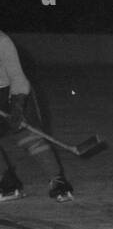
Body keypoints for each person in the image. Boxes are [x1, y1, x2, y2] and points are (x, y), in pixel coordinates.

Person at [0, 29, 74, 202]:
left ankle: (57, 181)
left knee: (28, 137)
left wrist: (17, 108)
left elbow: (18, 78)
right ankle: (7, 183)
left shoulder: (2, 41)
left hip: (16, 91)